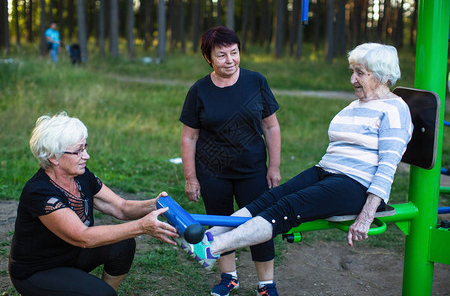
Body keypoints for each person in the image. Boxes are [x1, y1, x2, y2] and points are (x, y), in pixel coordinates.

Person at [177, 43, 413, 294]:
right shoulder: (357, 105)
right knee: (270, 198)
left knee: (287, 207)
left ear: (384, 75)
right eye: (352, 71)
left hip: (356, 184)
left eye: (360, 73)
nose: (353, 79)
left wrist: (367, 215)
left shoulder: (395, 111)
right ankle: (208, 236)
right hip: (326, 171)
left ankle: (211, 249)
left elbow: (388, 167)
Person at [8, 112, 178, 296]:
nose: (86, 156)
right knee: (101, 293)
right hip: (38, 271)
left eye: (85, 148)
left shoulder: (81, 176)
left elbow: (120, 207)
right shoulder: (40, 192)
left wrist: (156, 204)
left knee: (123, 245)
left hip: (72, 255)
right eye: (78, 151)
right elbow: (84, 237)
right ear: (53, 157)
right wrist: (142, 226)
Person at [179, 26, 281, 296]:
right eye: (221, 55)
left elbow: (271, 127)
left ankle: (266, 283)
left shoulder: (256, 81)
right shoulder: (199, 90)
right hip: (213, 173)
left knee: (260, 224)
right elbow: (189, 137)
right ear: (208, 58)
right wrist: (191, 177)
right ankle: (229, 277)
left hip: (253, 170)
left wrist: (274, 167)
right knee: (220, 224)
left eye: (234, 53)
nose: (230, 60)